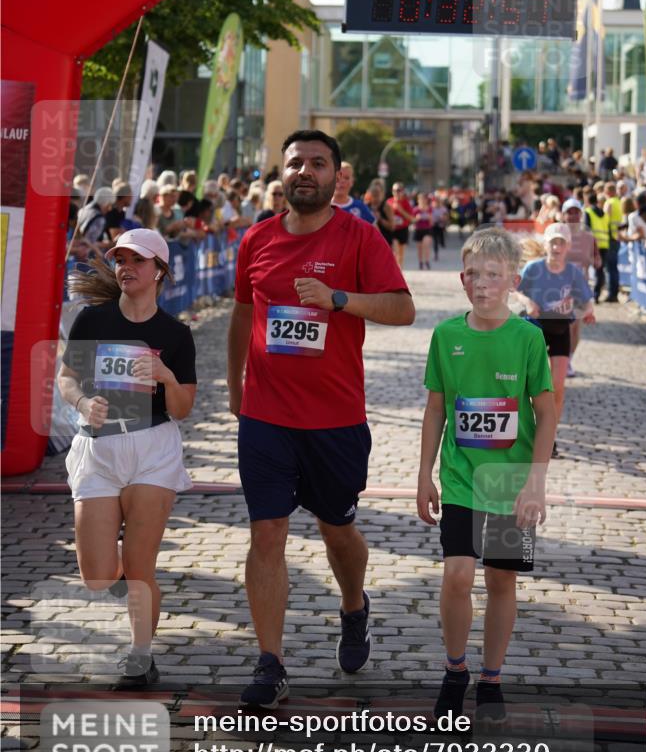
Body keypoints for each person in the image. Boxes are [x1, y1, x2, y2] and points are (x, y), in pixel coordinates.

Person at [227, 129, 415, 708]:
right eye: (294, 163)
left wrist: (339, 299)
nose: (304, 171)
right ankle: (270, 663)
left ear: (337, 175)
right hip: (266, 415)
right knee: (267, 531)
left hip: (334, 419)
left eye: (317, 163)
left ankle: (354, 605)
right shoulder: (255, 238)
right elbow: (240, 315)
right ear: (280, 174)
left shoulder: (359, 236)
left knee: (337, 530)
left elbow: (403, 308)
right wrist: (235, 386)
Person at [417, 227, 556, 722]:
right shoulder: (446, 336)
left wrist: (535, 483)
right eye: (474, 274)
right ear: (461, 278)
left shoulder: (528, 338)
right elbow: (436, 409)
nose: (482, 284)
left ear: (513, 281)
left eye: (494, 275)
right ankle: (455, 670)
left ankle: (491, 677)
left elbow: (547, 411)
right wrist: (423, 475)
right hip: (459, 478)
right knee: (457, 575)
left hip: (509, 483)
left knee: (501, 580)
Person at [57, 229, 197, 688]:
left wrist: (167, 377)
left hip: (151, 447)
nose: (125, 266)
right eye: (119, 258)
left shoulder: (174, 334)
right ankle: (119, 573)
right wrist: (80, 403)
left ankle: (140, 656)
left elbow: (182, 408)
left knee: (140, 566)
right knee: (98, 576)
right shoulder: (92, 321)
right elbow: (67, 378)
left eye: (136, 259)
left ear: (159, 270)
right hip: (97, 447)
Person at [517, 223, 595, 457]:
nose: (557, 246)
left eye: (562, 242)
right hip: (535, 329)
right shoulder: (533, 268)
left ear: (568, 246)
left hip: (560, 329)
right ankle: (527, 431)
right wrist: (528, 303)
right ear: (545, 244)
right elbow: (517, 291)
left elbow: (586, 297)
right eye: (553, 241)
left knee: (557, 387)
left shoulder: (572, 272)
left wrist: (590, 310)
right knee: (530, 387)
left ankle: (549, 437)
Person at [560, 199, 599, 377]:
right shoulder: (557, 234)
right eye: (570, 212)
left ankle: (568, 359)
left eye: (576, 212)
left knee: (575, 327)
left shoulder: (589, 238)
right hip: (558, 288)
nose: (573, 216)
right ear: (563, 215)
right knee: (564, 327)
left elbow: (597, 261)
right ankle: (558, 358)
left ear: (581, 215)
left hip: (579, 289)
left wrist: (591, 262)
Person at [584, 191, 610, 302]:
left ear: (587, 200)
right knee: (600, 271)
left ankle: (586, 295)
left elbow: (586, 229)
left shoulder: (588, 212)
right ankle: (596, 294)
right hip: (604, 244)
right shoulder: (604, 213)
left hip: (592, 245)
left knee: (584, 269)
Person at [388, 182, 414, 270]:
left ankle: (400, 272)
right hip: (392, 230)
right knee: (395, 251)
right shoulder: (389, 202)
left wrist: (401, 210)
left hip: (403, 229)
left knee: (401, 255)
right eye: (394, 190)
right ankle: (394, 271)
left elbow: (411, 219)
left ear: (402, 191)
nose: (396, 192)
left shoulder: (406, 203)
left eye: (398, 190)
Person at [365, 178, 395, 245]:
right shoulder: (366, 206)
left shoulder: (386, 207)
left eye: (377, 194)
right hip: (370, 242)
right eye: (373, 194)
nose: (375, 198)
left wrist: (380, 219)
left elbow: (392, 227)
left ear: (382, 193)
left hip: (385, 242)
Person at [413, 192, 434, 270]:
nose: (422, 201)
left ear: (426, 200)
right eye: (420, 199)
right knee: (420, 248)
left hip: (427, 230)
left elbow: (432, 223)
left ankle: (427, 261)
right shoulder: (415, 209)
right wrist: (417, 219)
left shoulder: (430, 209)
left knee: (426, 245)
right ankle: (421, 262)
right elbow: (412, 222)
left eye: (424, 199)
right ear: (418, 200)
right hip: (418, 230)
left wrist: (429, 218)